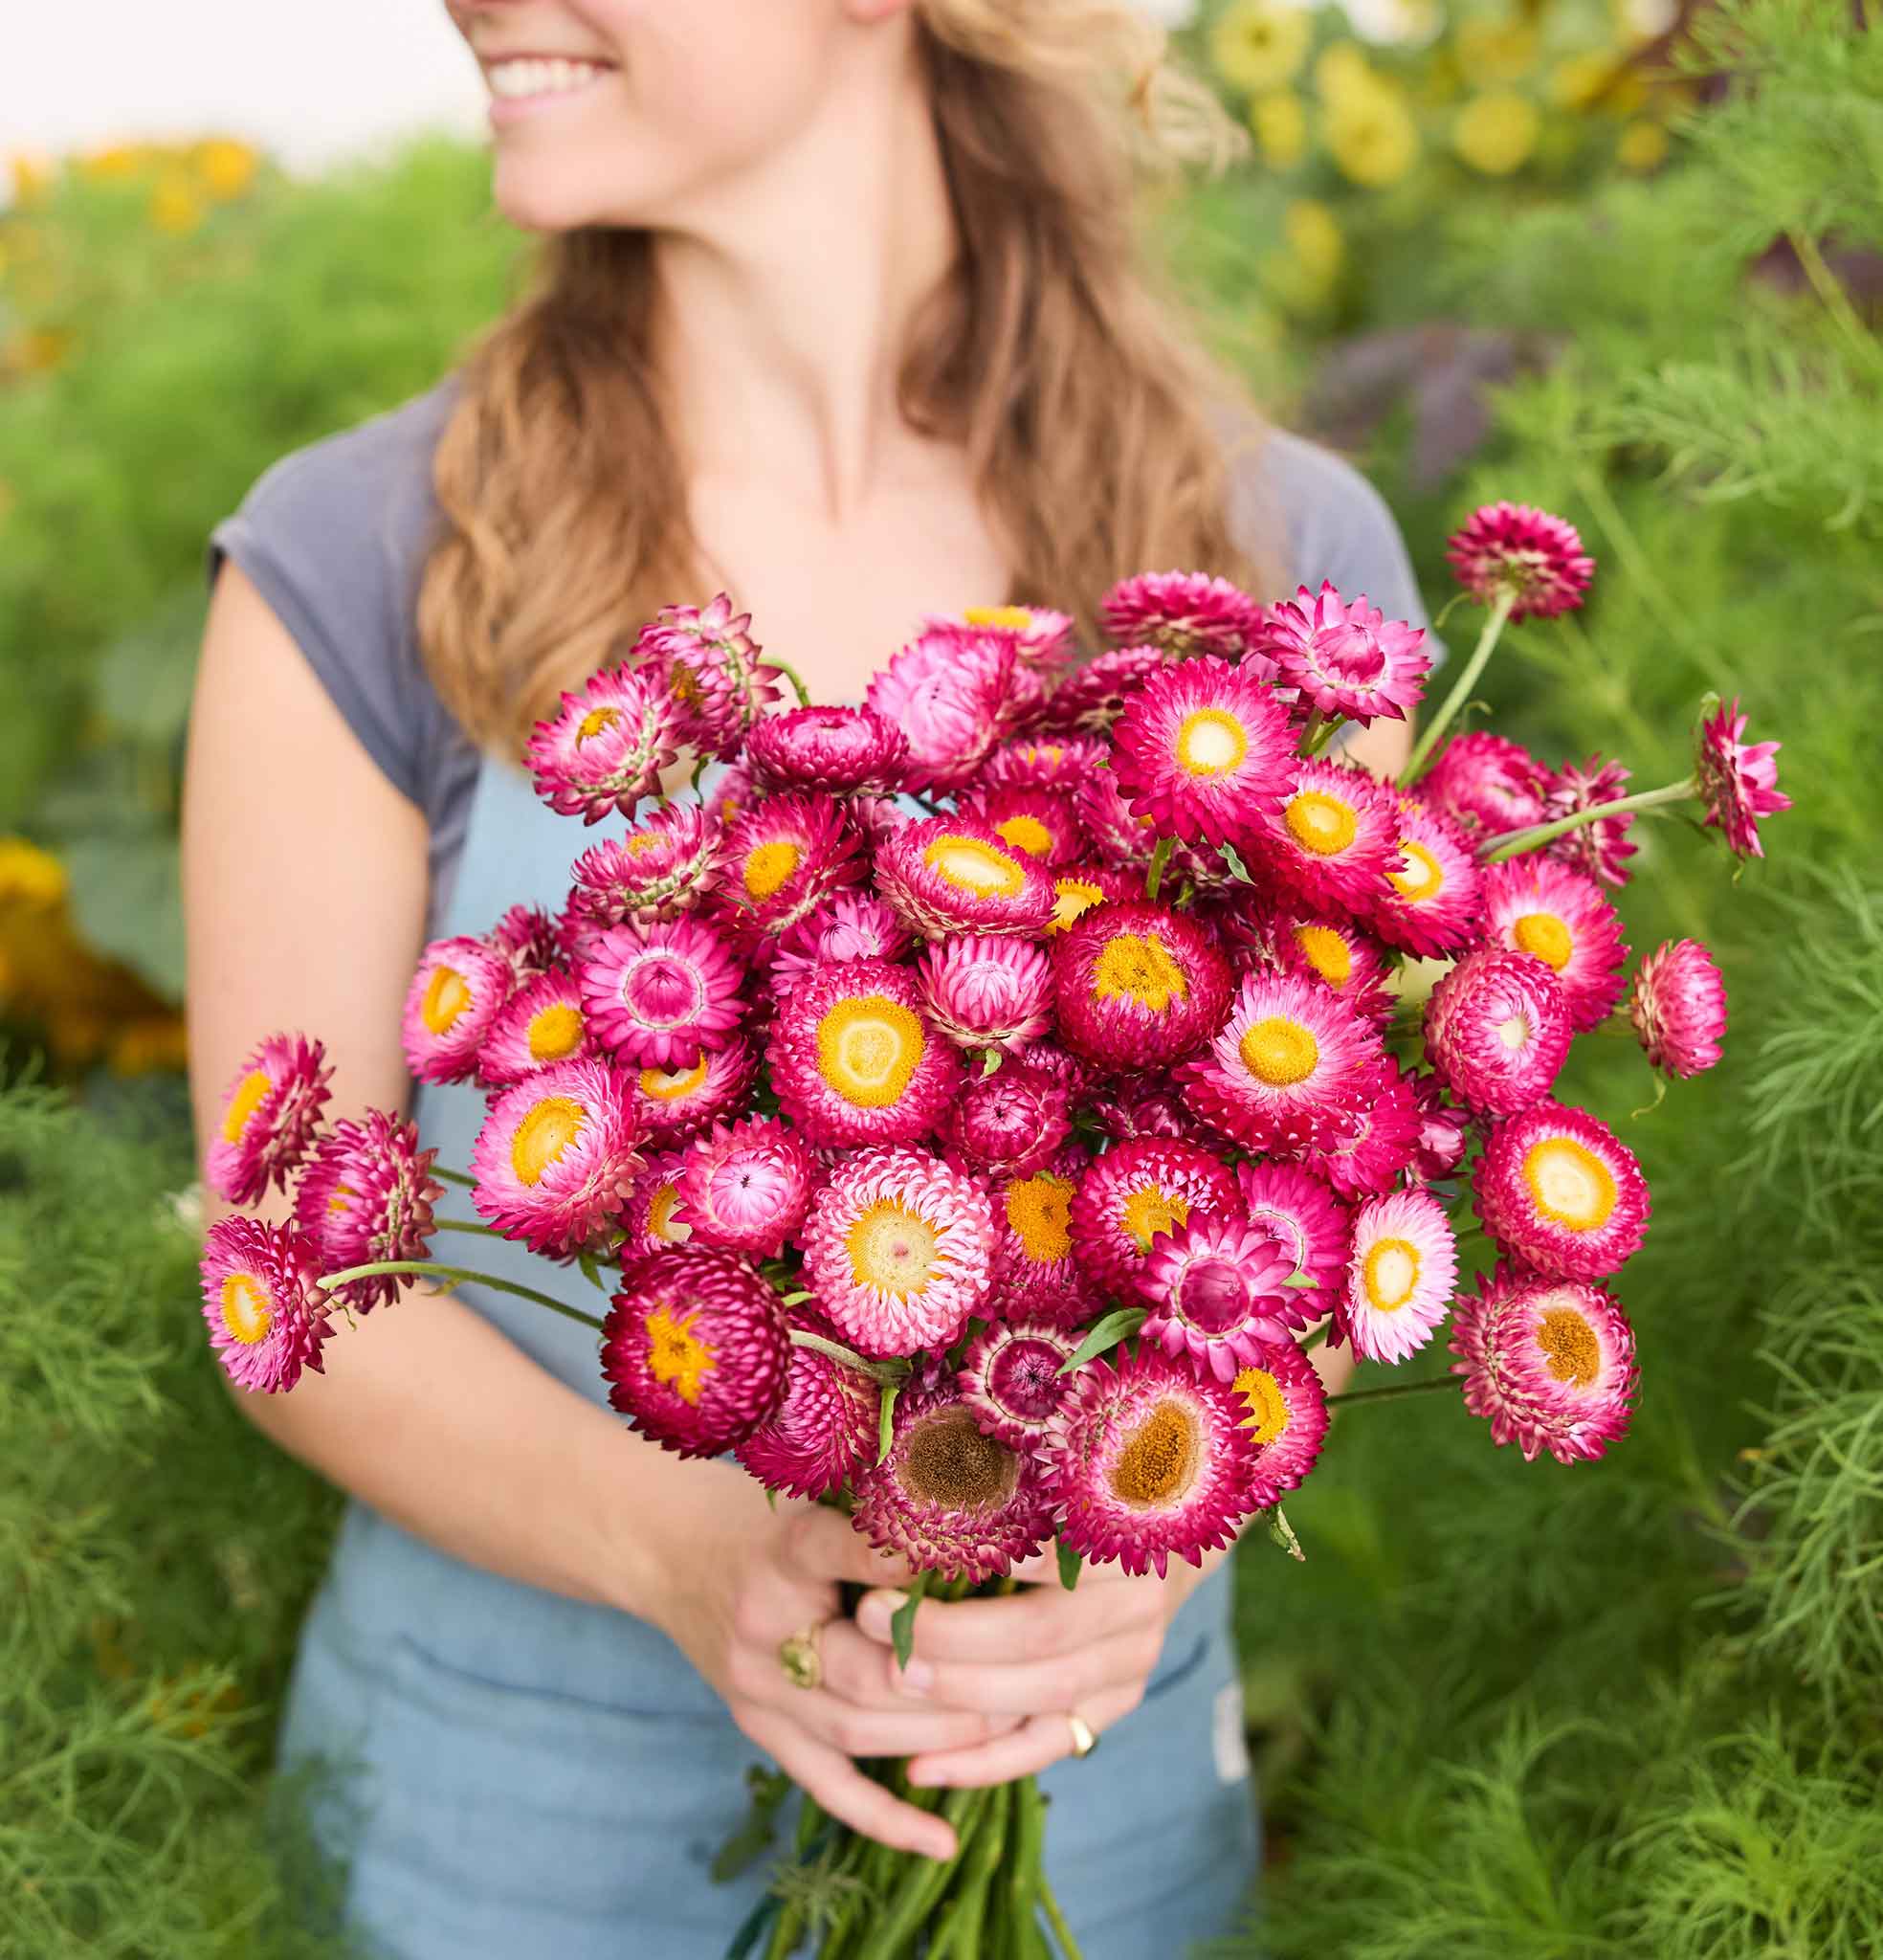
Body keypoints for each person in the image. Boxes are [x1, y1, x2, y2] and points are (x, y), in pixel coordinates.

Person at [185, 3, 1432, 1954]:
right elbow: (288, 1266)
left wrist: (1160, 1517)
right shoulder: (363, 558)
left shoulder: (1284, 559)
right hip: (500, 1856)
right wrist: (694, 1551)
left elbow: (1341, 1185)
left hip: (1097, 1842)